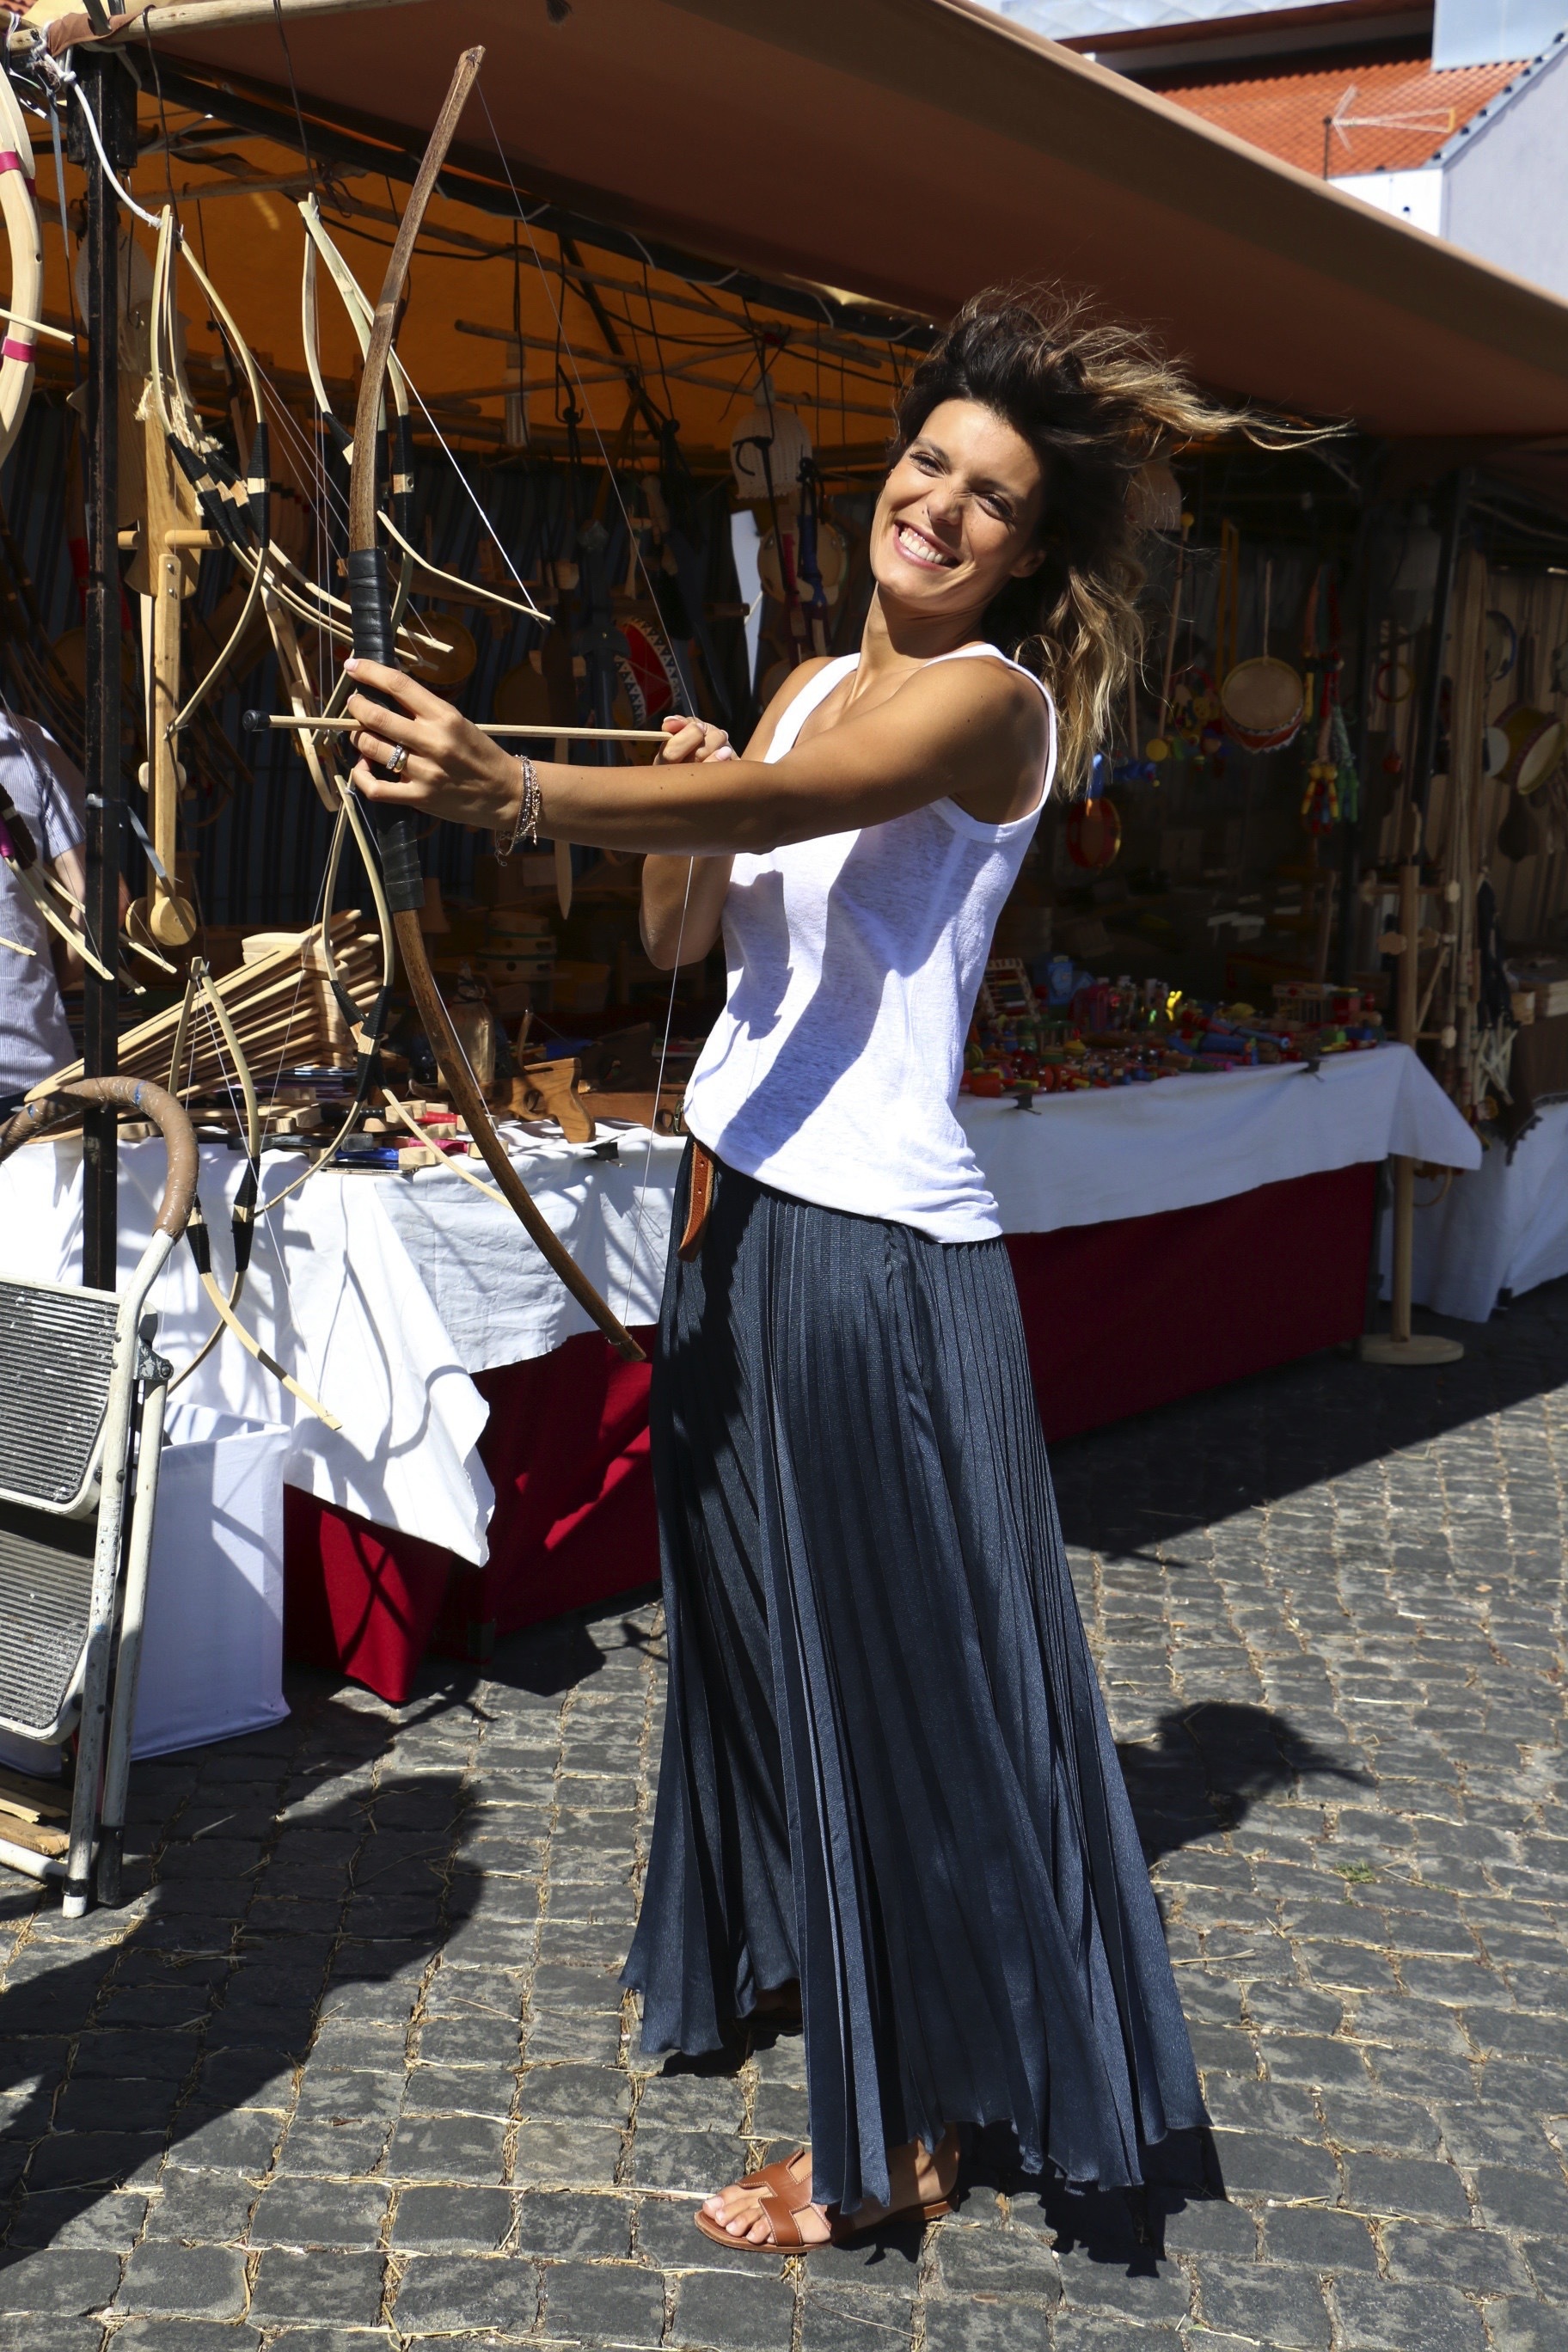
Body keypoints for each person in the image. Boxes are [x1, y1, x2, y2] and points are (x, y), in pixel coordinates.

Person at [344, 287, 1259, 2251]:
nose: (939, 504)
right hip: (730, 1223)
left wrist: (517, 788)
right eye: (927, 461)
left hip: (871, 1260)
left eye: (989, 496)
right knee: (758, 1647)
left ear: (1024, 553)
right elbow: (691, 936)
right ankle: (804, 1955)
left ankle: (904, 2132)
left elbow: (785, 806)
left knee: (888, 1679)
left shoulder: (990, 705)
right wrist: (677, 810)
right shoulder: (801, 685)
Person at [0, 707, 89, 1115]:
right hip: (32, 1063)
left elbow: (99, 899)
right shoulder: (24, 740)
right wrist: (41, 981)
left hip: (30, 1073)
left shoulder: (26, 742)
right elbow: (99, 901)